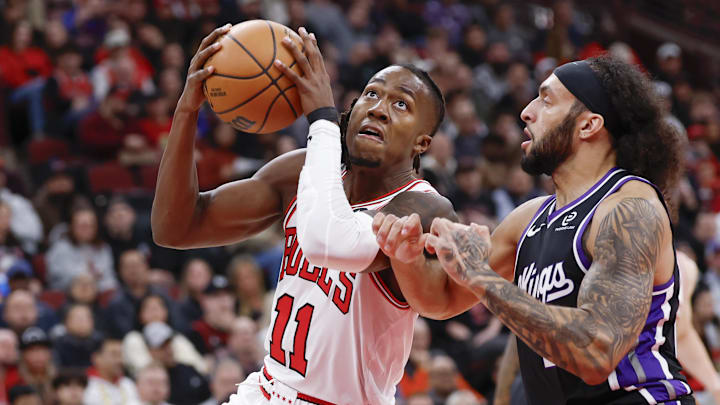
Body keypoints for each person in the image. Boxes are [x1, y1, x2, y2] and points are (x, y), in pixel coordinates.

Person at [151, 24, 453, 404]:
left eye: (401, 104)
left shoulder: (425, 208)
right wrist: (186, 113)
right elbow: (175, 227)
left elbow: (329, 240)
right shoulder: (302, 171)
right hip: (265, 390)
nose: (378, 109)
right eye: (371, 94)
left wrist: (322, 120)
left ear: (422, 142)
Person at [374, 56, 694, 404]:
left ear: (588, 125)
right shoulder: (528, 219)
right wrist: (406, 258)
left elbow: (597, 351)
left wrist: (480, 277)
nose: (527, 112)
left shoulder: (629, 207)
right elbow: (442, 300)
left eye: (546, 100)